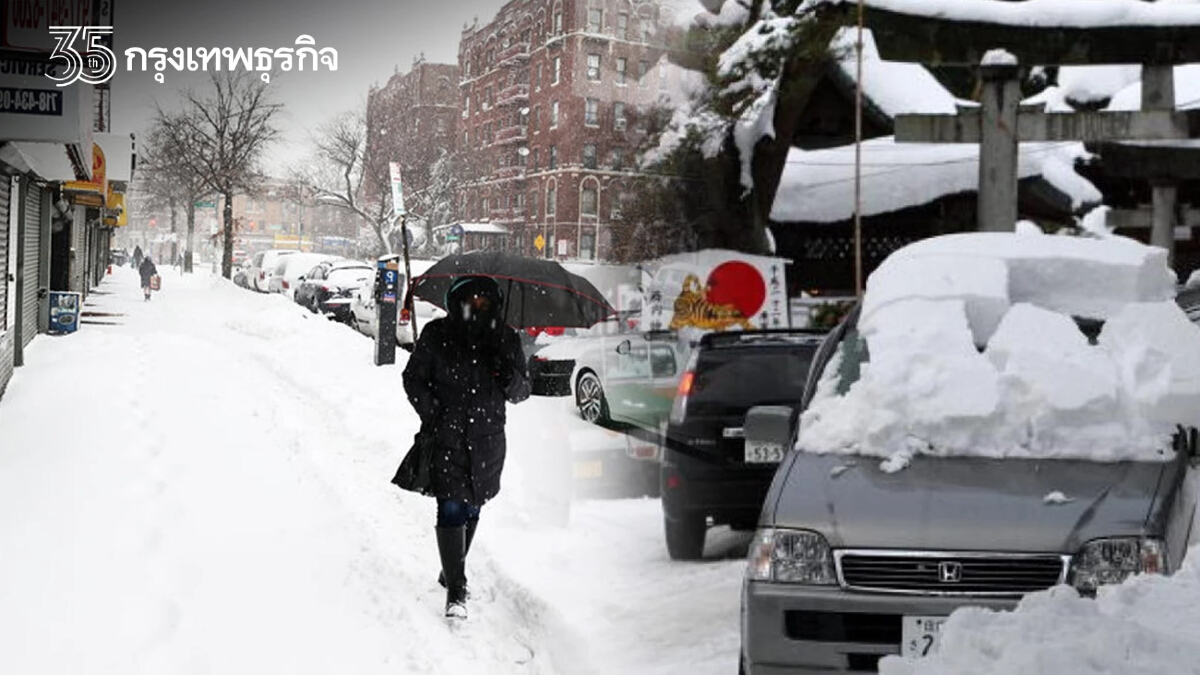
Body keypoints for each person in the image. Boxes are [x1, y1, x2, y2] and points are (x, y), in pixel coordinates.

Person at [402, 275, 531, 620]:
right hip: (447, 437)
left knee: (473, 506)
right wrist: (434, 414)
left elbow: (521, 392)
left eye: (485, 303)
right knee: (451, 509)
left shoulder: (505, 339)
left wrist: (506, 372)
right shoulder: (437, 336)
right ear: (457, 302)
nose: (478, 308)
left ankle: (450, 568)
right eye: (471, 301)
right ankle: (456, 591)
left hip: (488, 442)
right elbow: (413, 378)